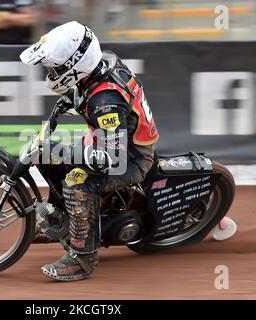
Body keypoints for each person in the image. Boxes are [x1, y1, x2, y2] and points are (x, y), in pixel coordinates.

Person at [20, 21, 159, 281]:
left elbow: (113, 159)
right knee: (46, 154)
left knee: (76, 183)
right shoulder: (102, 63)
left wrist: (65, 151)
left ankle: (83, 259)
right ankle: (64, 218)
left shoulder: (105, 102)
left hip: (132, 157)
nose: (50, 72)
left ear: (76, 65)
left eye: (55, 67)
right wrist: (72, 100)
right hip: (109, 138)